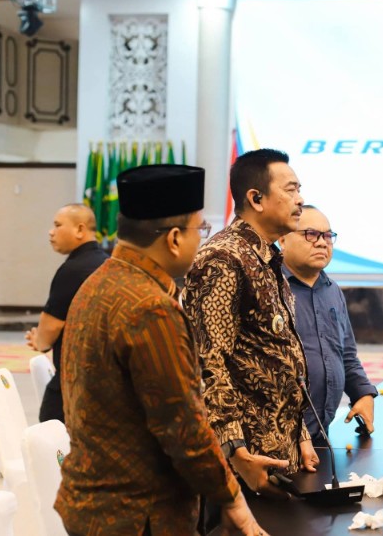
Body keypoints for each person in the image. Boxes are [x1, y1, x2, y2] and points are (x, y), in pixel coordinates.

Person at [55, 165, 266, 536]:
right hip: (140, 517)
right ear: (174, 238)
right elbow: (184, 429)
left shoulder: (97, 283)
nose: (201, 239)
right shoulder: (151, 308)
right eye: (200, 229)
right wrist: (234, 500)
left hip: (91, 507)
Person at [183, 148, 319, 498]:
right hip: (247, 463)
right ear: (256, 199)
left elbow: (275, 355)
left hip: (282, 452)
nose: (300, 200)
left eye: (299, 189)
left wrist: (301, 434)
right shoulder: (222, 259)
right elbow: (208, 362)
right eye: (290, 189)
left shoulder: (267, 258)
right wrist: (235, 451)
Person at [280, 205, 378, 443]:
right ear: (282, 239)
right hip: (280, 440)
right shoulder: (270, 288)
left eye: (327, 236)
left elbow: (346, 355)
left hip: (322, 435)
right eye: (311, 234)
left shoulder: (332, 290)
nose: (322, 243)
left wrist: (363, 394)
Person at [25, 203, 108, 423]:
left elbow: (49, 330)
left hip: (73, 383)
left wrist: (40, 340)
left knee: (52, 434)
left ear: (80, 229)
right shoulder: (107, 262)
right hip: (105, 380)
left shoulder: (72, 270)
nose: (51, 232)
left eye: (57, 225)